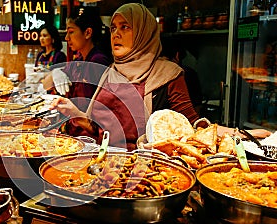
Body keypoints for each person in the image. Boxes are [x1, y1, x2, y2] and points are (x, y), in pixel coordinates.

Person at [50, 3, 270, 150]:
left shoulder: (168, 74)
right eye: (114, 28)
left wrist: (241, 134)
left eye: (125, 27)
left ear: (144, 32)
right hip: (99, 162)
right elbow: (98, 127)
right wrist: (75, 113)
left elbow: (194, 126)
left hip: (140, 172)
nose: (116, 34)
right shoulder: (110, 72)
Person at [42, 7, 112, 136]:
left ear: (87, 33)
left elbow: (101, 115)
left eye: (71, 32)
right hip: (73, 131)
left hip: (89, 136)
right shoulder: (78, 60)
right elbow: (45, 84)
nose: (67, 38)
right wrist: (55, 73)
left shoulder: (98, 62)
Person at [161, 39, 203, 114]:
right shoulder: (181, 73)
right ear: (177, 55)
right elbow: (197, 106)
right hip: (182, 121)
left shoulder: (148, 73)